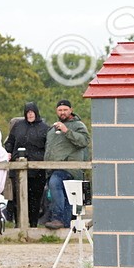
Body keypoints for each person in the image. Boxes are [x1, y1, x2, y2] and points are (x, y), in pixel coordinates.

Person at [43, 99, 91, 230]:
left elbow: (85, 141)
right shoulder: (52, 128)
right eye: (60, 110)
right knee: (65, 196)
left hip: (70, 168)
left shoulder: (78, 125)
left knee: (55, 183)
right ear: (56, 111)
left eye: (65, 109)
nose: (62, 112)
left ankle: (57, 218)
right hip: (53, 168)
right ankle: (65, 224)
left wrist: (67, 131)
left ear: (71, 110)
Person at [4, 102, 50, 226]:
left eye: (32, 112)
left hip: (37, 170)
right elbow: (9, 142)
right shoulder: (18, 126)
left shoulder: (45, 128)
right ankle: (18, 224)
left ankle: (33, 224)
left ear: (36, 112)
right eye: (28, 112)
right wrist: (8, 152)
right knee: (18, 198)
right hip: (17, 167)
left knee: (35, 199)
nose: (30, 114)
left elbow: (49, 147)